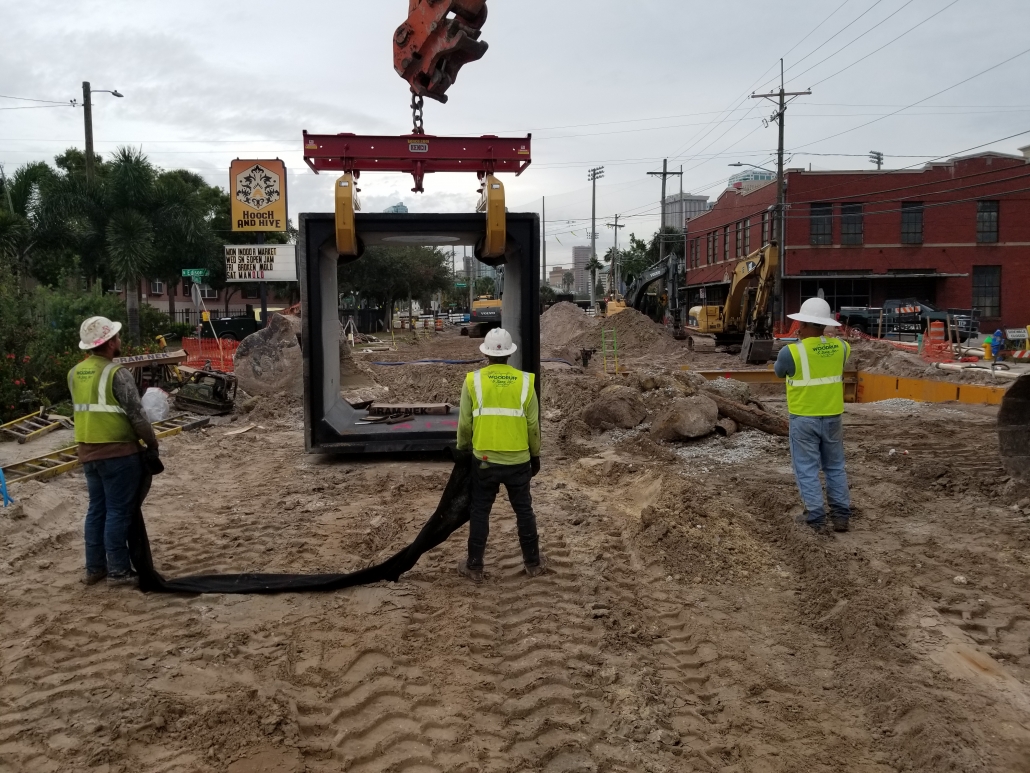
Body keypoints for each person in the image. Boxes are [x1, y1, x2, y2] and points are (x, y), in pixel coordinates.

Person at [69, 316, 159, 587]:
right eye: (117, 337)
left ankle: (95, 568)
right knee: (119, 511)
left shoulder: (74, 373)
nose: (120, 341)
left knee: (97, 509)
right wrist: (152, 444)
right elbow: (137, 416)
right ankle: (119, 570)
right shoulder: (116, 373)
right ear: (109, 343)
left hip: (88, 452)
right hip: (118, 453)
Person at [456, 327, 543, 582]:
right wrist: (534, 455)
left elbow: (464, 425)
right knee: (524, 510)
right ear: (509, 354)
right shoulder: (526, 381)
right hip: (518, 460)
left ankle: (474, 565)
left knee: (480, 510)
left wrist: (463, 451)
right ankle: (533, 563)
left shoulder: (472, 380)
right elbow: (532, 426)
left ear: (486, 354)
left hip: (484, 461)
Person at [774, 298, 852, 533]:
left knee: (806, 467)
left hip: (804, 417)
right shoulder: (842, 347)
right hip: (832, 417)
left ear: (807, 324)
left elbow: (780, 372)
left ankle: (816, 517)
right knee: (835, 466)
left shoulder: (792, 352)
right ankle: (840, 516)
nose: (797, 326)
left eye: (800, 322)